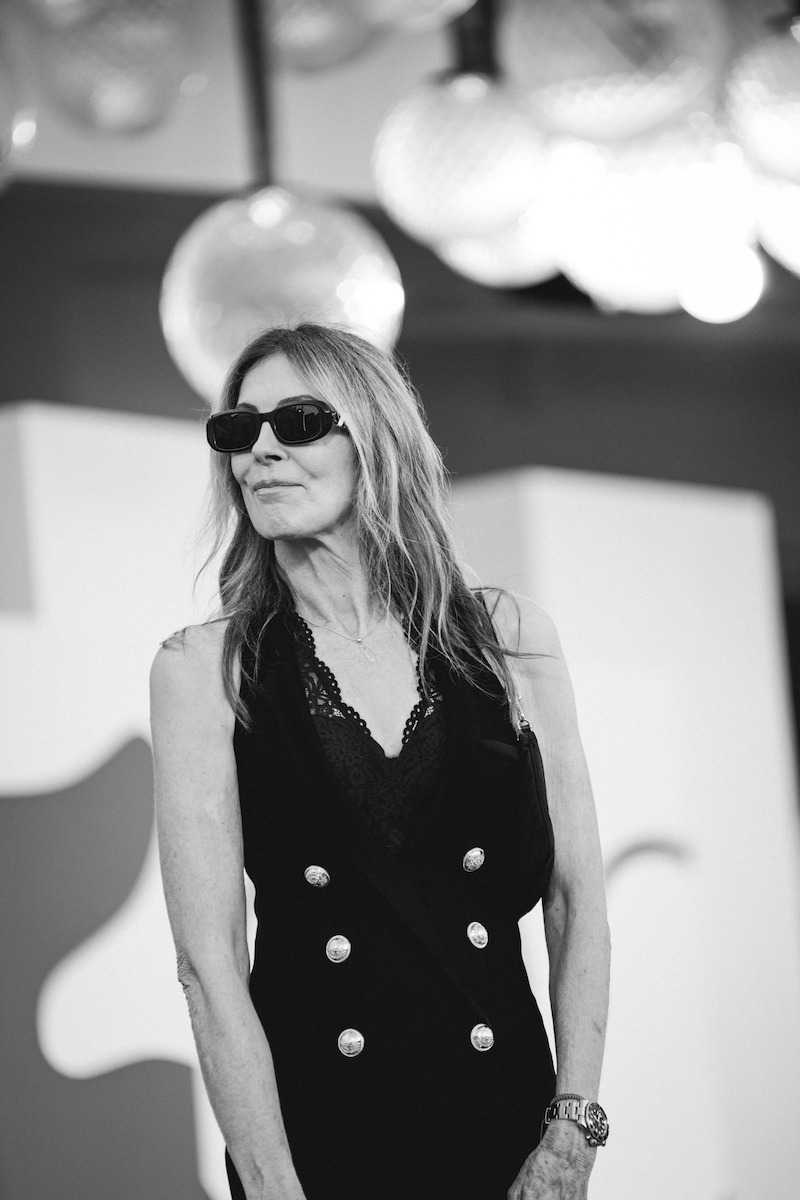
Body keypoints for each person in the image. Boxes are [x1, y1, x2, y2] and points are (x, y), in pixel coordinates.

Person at [150, 323, 610, 1200]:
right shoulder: (202, 668)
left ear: (378, 438)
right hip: (321, 1137)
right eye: (238, 432)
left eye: (297, 420)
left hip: (508, 1127)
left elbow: (577, 898)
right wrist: (273, 1183)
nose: (261, 453)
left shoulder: (510, 639)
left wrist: (571, 1131)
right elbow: (208, 967)